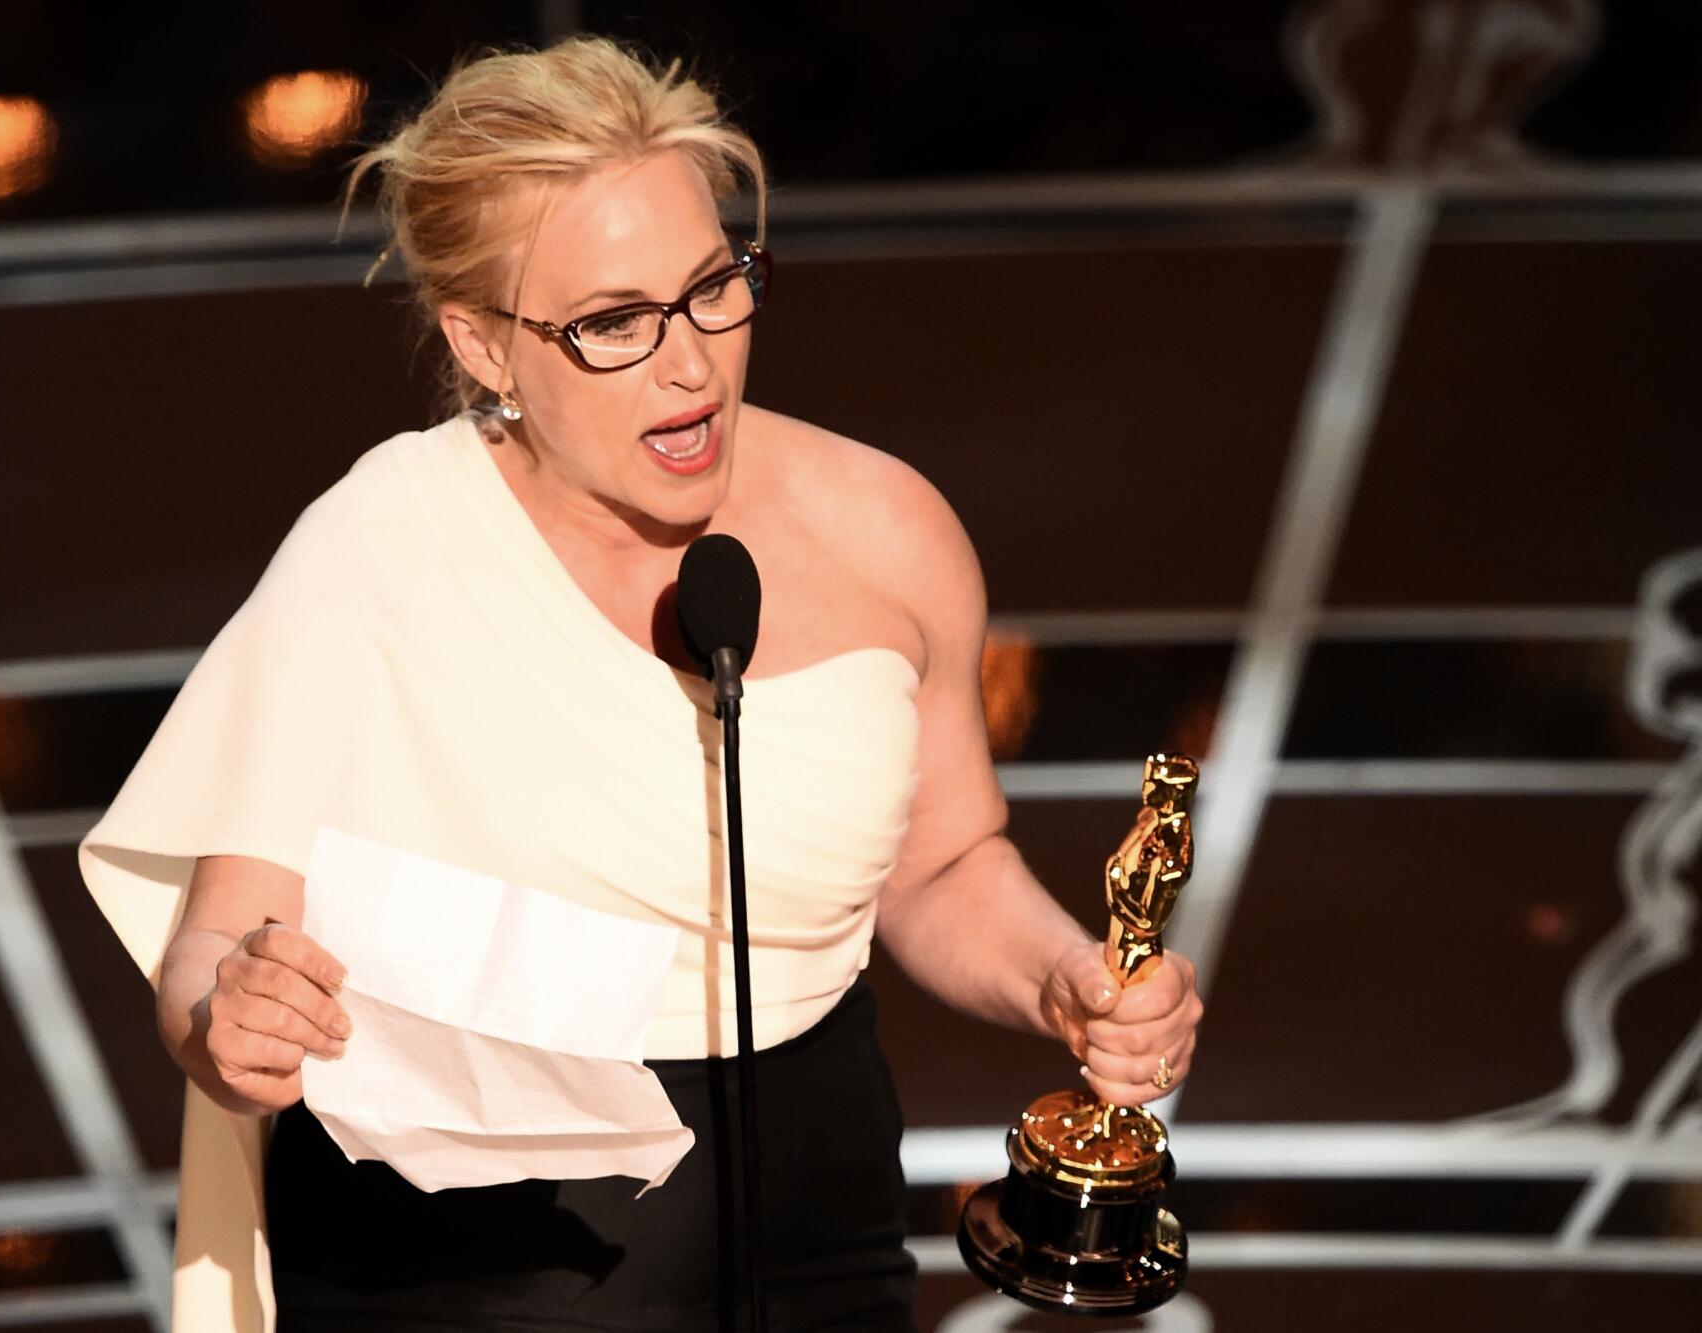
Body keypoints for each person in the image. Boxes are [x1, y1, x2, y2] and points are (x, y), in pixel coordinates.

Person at [80, 35, 1204, 1333]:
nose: (690, 364)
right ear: (486, 346)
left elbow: (944, 861)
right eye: (614, 322)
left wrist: (1063, 972)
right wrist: (231, 1012)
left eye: (714, 286)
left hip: (813, 1223)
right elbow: (220, 943)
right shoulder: (378, 549)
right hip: (463, 1267)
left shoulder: (891, 529)